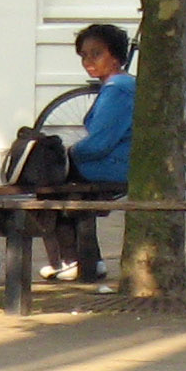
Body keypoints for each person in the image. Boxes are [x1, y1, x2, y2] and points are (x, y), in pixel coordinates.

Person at [34, 21, 132, 284]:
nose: (88, 61)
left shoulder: (117, 90)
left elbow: (100, 143)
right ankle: (85, 260)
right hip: (122, 161)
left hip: (118, 164)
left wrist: (69, 152)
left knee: (48, 181)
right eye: (84, 55)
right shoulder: (122, 86)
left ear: (116, 56)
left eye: (96, 53)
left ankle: (72, 260)